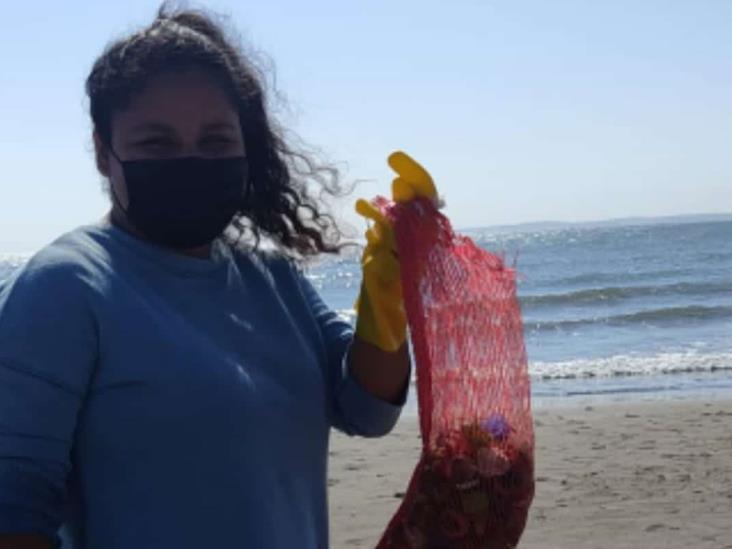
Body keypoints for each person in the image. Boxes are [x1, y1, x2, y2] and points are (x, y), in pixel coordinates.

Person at [0, 6, 438, 549]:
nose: (190, 159)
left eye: (215, 140)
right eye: (156, 143)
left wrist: (384, 306)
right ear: (102, 153)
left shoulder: (270, 272)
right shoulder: (64, 287)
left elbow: (367, 409)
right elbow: (14, 505)